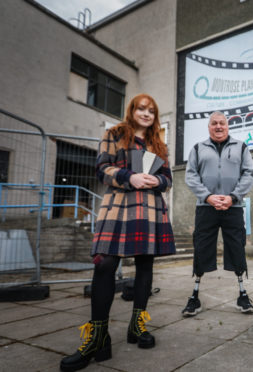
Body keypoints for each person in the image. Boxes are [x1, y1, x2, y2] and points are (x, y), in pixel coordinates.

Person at [60, 94, 175, 372]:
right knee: (105, 264)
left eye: (151, 110)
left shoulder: (158, 144)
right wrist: (129, 177)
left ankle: (137, 327)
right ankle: (99, 337)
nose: (146, 114)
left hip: (148, 207)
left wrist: (156, 179)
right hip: (118, 205)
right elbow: (101, 169)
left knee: (145, 265)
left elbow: (168, 180)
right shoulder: (113, 134)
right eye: (141, 109)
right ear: (132, 110)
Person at [182, 111, 253, 316]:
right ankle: (194, 296)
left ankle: (243, 294)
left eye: (221, 123)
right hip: (206, 207)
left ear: (227, 125)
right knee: (202, 248)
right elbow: (191, 175)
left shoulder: (241, 147)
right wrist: (207, 197)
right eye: (214, 123)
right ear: (209, 127)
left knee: (237, 247)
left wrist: (233, 197)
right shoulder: (198, 148)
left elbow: (249, 173)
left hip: (233, 207)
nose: (218, 126)